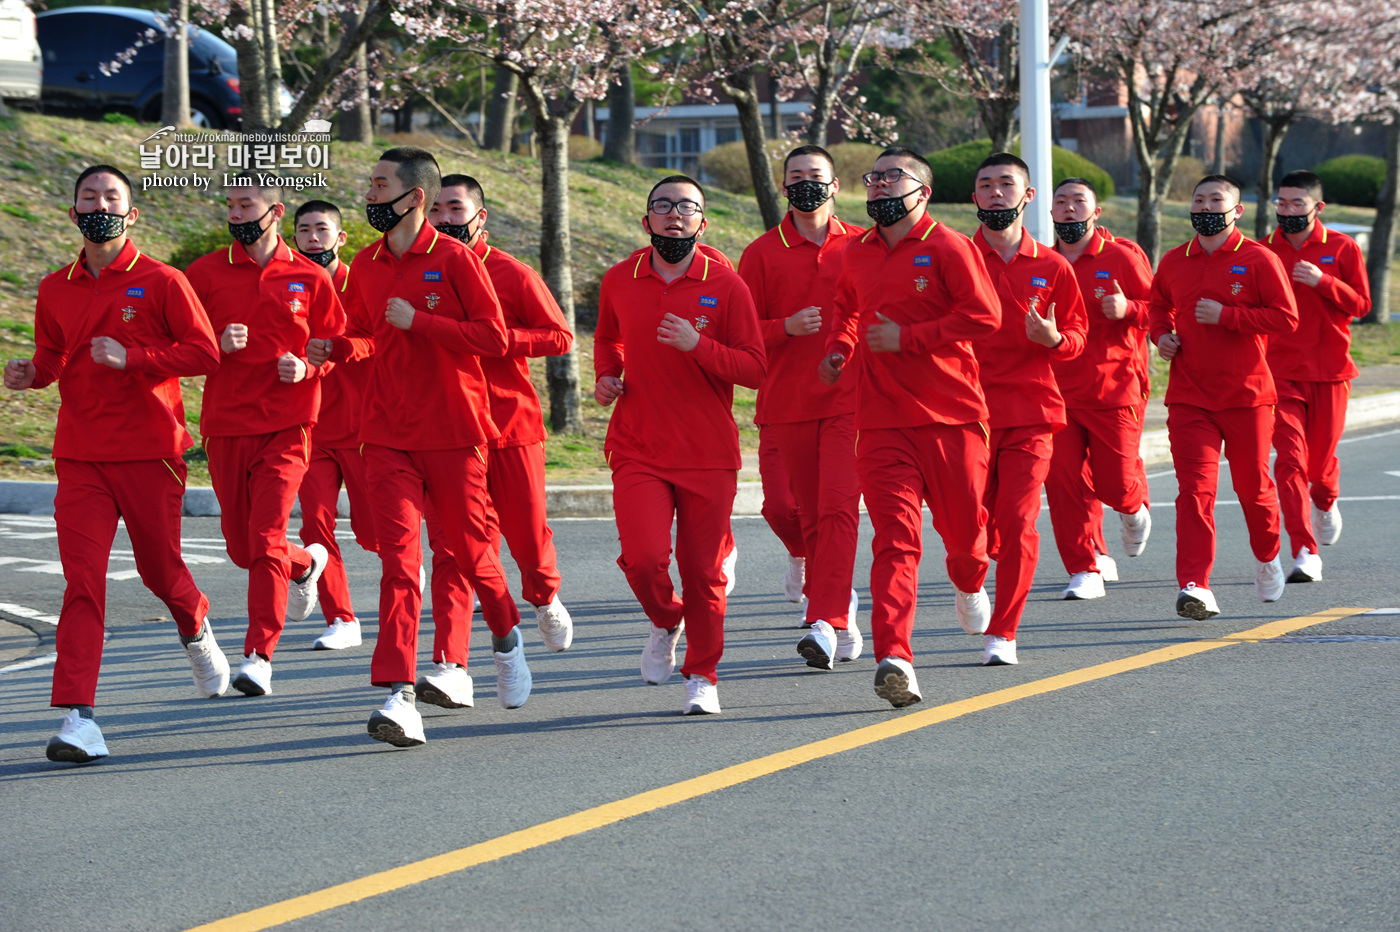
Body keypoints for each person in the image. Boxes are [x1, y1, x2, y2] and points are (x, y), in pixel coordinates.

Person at [4, 164, 226, 763]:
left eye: (111, 197)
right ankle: (79, 718)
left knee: (161, 572)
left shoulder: (162, 280)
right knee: (83, 582)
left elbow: (204, 353)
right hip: (80, 455)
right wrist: (31, 374)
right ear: (74, 212)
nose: (98, 204)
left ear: (131, 214)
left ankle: (195, 622)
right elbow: (53, 356)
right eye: (88, 197)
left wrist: (134, 357)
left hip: (152, 451)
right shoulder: (56, 286)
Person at [308, 147, 527, 747]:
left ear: (414, 198)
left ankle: (506, 636)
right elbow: (361, 334)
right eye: (370, 185)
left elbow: (492, 336)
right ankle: (398, 696)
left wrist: (421, 323)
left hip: (455, 431)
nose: (370, 195)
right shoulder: (367, 263)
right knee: (401, 565)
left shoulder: (454, 259)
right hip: (384, 434)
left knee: (471, 551)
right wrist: (335, 347)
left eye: (380, 186)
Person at [823, 147, 1000, 706]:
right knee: (895, 541)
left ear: (921, 191)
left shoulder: (950, 246)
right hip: (880, 421)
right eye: (872, 178)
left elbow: (985, 316)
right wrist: (838, 347)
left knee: (965, 540)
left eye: (890, 178)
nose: (877, 186)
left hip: (952, 416)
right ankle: (895, 656)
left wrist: (909, 339)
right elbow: (845, 308)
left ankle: (970, 582)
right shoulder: (855, 253)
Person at [594, 174, 765, 715]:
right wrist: (607, 373)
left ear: (702, 222)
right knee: (643, 560)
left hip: (706, 452)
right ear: (646, 220)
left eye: (686, 207)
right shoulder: (620, 279)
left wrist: (700, 346)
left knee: (703, 572)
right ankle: (667, 619)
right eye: (662, 206)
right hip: (637, 443)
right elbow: (607, 338)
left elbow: (756, 368)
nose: (673, 214)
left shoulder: (727, 285)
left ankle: (703, 675)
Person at [414, 173, 574, 709]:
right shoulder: (418, 273)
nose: (443, 219)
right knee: (454, 551)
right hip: (449, 433)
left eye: (454, 209)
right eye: (435, 209)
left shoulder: (511, 272)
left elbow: (559, 336)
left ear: (480, 217)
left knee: (527, 542)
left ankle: (545, 595)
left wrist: (500, 340)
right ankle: (450, 664)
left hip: (510, 428)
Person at [185, 172, 344, 696]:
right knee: (242, 547)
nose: (234, 213)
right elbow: (180, 348)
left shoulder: (310, 277)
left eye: (245, 204)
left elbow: (335, 345)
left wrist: (309, 368)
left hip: (288, 424)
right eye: (229, 205)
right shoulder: (204, 274)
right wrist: (215, 342)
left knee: (264, 535)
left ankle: (259, 656)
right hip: (227, 425)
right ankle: (305, 563)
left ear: (274, 213)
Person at [1148, 174, 1299, 619]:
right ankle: (1195, 585)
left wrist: (1228, 316)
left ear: (1237, 211)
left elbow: (1286, 318)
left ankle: (1268, 556)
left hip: (1247, 395)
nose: (1206, 207)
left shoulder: (1259, 259)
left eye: (1217, 200)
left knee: (1254, 488)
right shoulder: (1175, 260)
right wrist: (1161, 336)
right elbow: (1157, 305)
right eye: (1199, 200)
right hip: (1190, 396)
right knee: (1195, 491)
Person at [738, 144, 864, 670]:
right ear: (782, 187)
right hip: (784, 402)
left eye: (817, 176)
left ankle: (829, 616)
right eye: (796, 177)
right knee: (784, 510)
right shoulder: (761, 253)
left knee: (834, 510)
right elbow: (738, 334)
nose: (806, 184)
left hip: (849, 402)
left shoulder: (862, 245)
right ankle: (813, 566)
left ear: (835, 186)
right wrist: (783, 329)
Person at [969, 153, 1088, 666]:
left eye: (1006, 185)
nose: (996, 193)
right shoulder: (953, 257)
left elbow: (1078, 337)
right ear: (974, 197)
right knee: (970, 532)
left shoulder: (1052, 266)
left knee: (1019, 522)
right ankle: (971, 580)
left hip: (1032, 412)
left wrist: (1054, 338)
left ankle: (1005, 631)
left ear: (1027, 196)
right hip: (963, 414)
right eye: (986, 185)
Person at [1044, 177, 1155, 601]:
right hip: (1056, 392)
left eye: (1078, 201)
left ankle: (1133, 506)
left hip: (1115, 387)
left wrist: (1129, 308)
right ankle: (1085, 565)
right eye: (1061, 202)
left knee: (1114, 483)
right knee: (1065, 482)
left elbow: (1163, 312)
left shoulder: (1122, 257)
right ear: (1051, 212)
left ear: (1096, 211)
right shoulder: (1045, 262)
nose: (1069, 208)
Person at [1263, 170, 1372, 581]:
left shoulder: (1341, 247)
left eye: (1296, 204)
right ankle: (1304, 551)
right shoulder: (1263, 251)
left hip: (1329, 370)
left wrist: (1323, 281)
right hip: (1278, 374)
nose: (1287, 211)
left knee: (1319, 467)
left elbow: (1361, 304)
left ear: (1317, 207)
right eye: (1281, 203)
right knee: (1289, 462)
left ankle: (1325, 501)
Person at [291, 199, 377, 650]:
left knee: (374, 532)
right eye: (303, 230)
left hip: (364, 426)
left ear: (340, 237)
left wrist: (340, 347)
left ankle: (407, 567)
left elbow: (379, 338)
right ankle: (342, 618)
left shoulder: (360, 282)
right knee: (315, 528)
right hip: (311, 426)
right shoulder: (287, 287)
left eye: (321, 229)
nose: (312, 238)